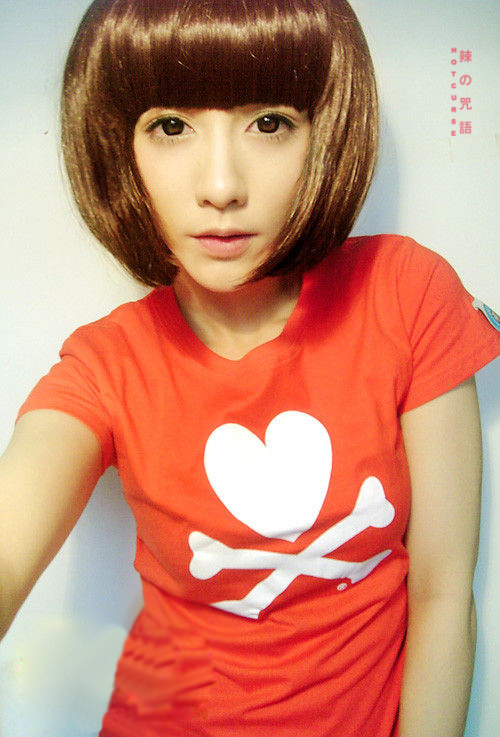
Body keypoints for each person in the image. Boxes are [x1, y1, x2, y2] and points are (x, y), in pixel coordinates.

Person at [0, 0, 499, 735]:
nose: (221, 186)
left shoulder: (405, 294)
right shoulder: (108, 365)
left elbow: (443, 592)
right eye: (171, 127)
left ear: (323, 129)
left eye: (269, 123)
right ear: (119, 145)